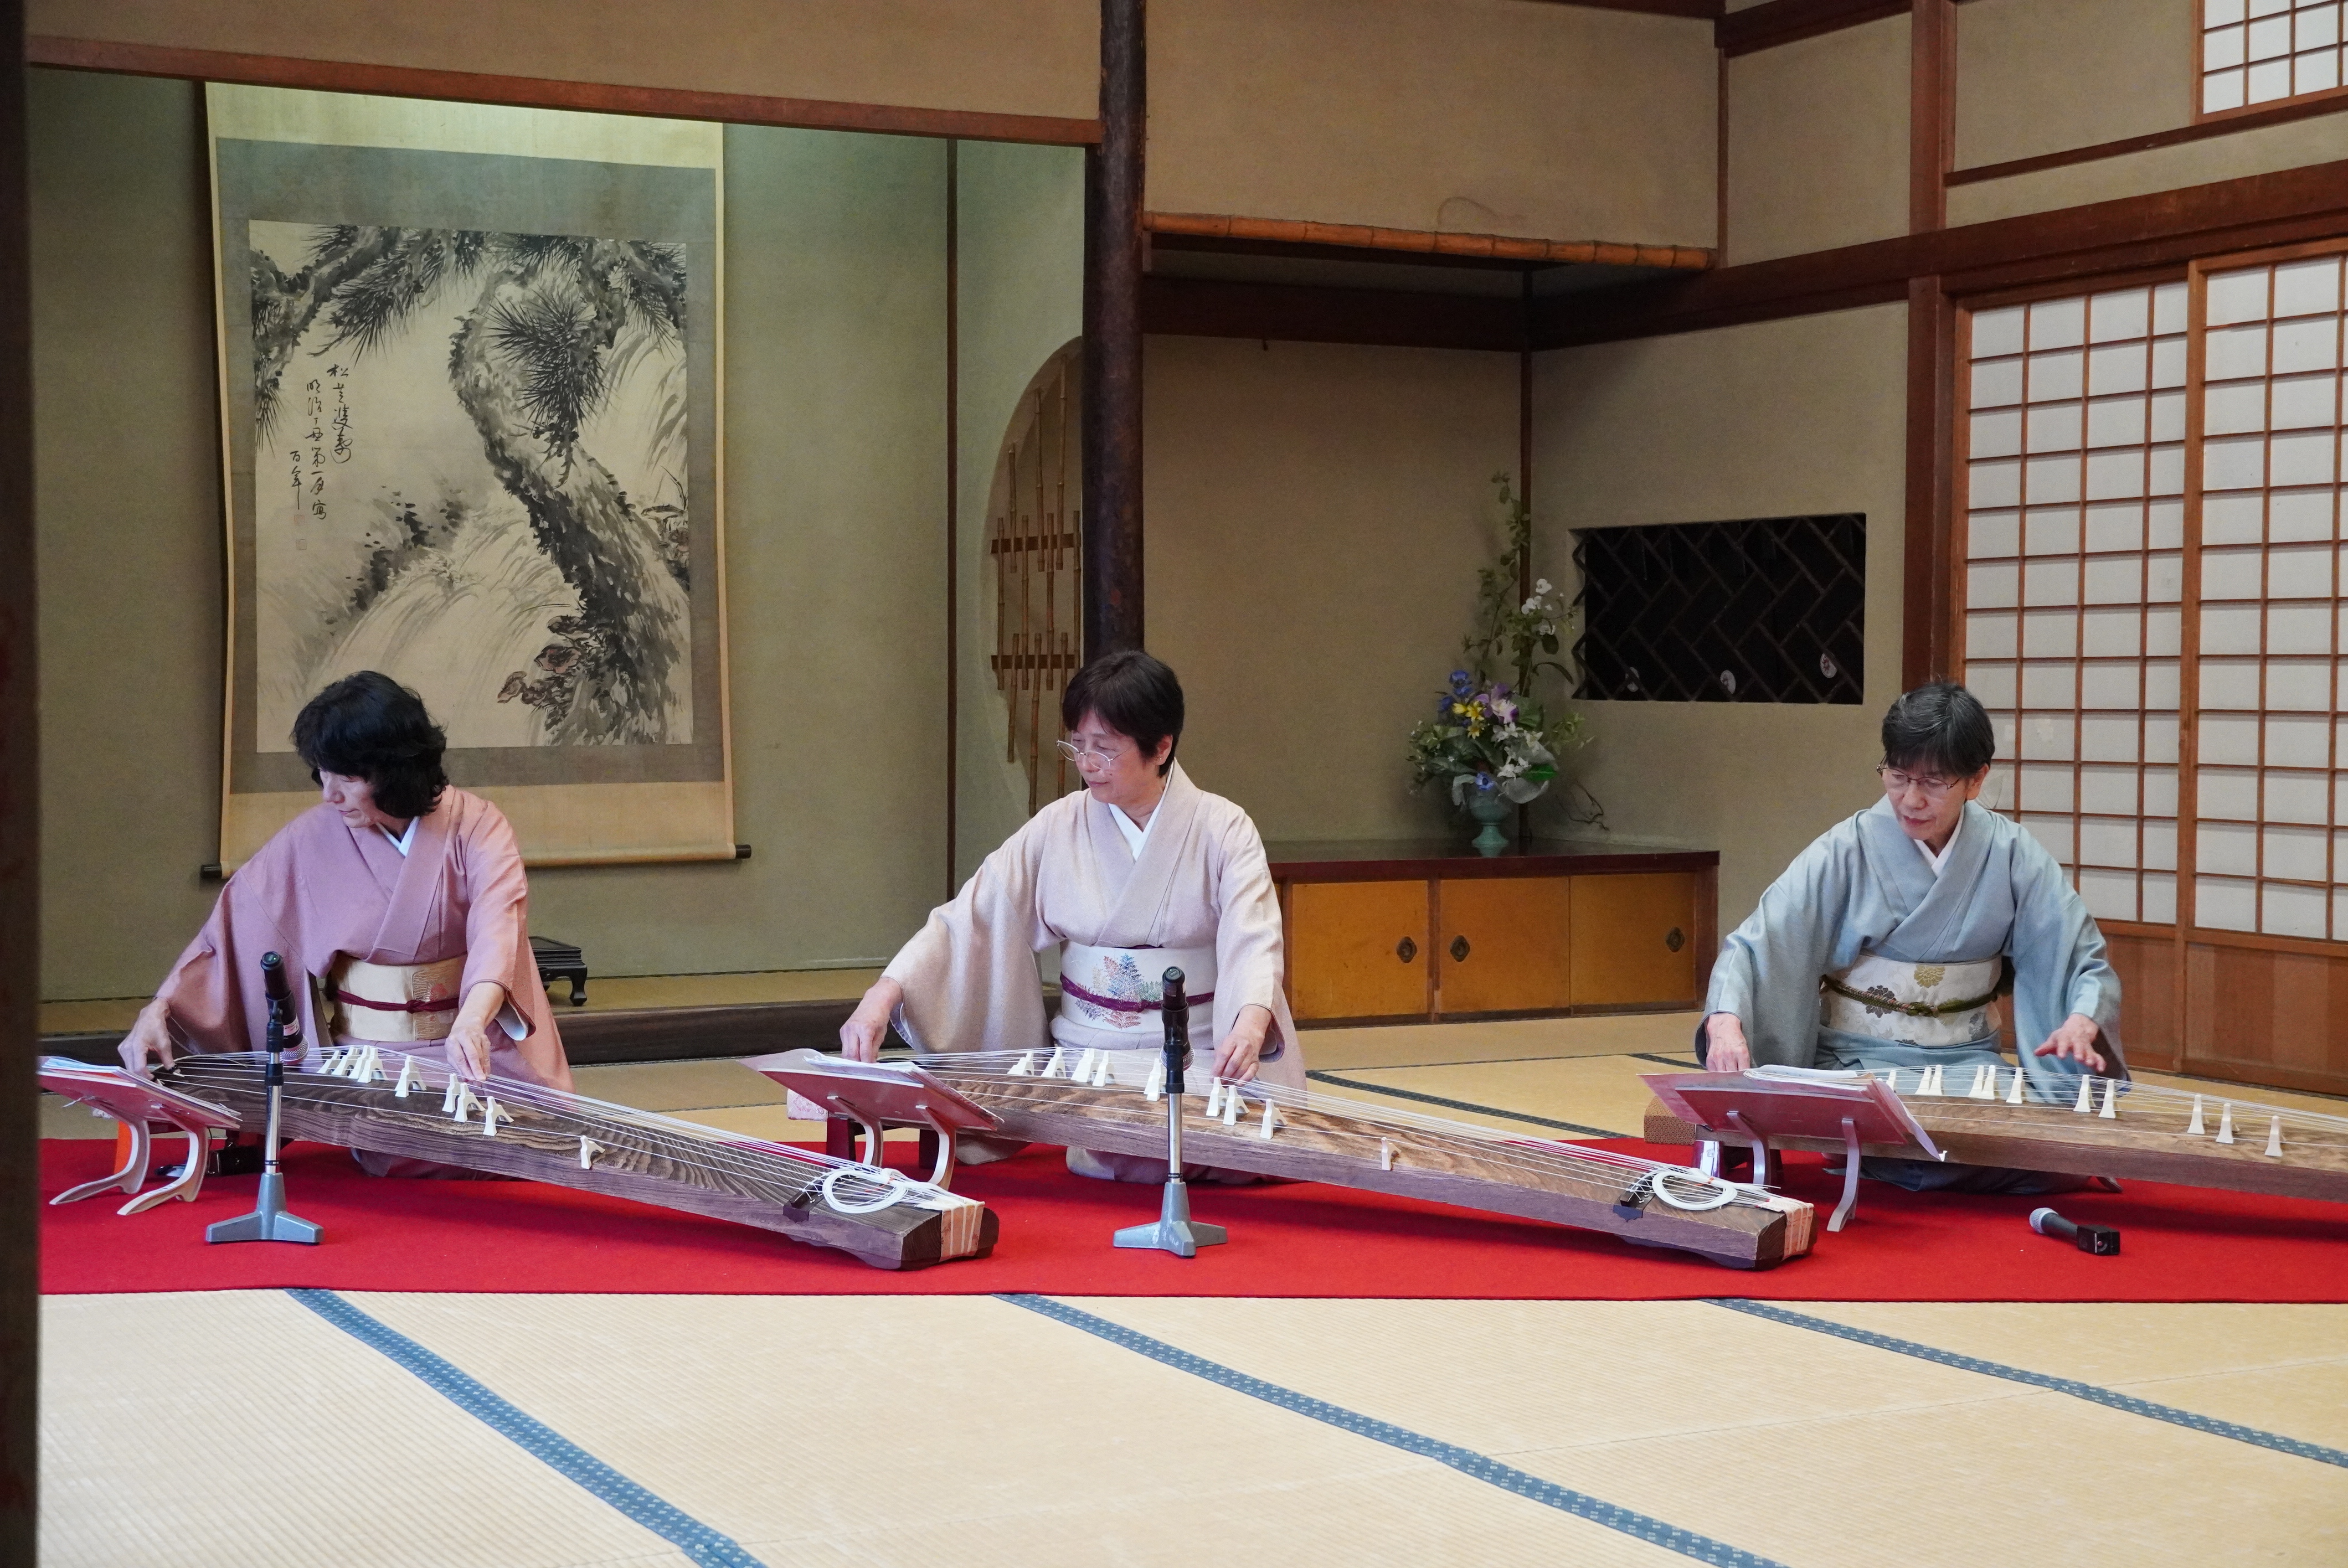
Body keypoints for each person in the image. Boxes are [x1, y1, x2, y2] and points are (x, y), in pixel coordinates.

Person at [840, 648, 1303, 1182]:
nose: (1086, 764)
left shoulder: (1224, 828)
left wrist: (1249, 1024)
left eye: (1104, 750)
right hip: (1092, 1065)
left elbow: (1254, 934)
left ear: (1161, 747)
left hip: (1199, 1056)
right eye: (1077, 746)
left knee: (1211, 1149)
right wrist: (885, 994)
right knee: (1114, 1153)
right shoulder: (1057, 827)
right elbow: (972, 916)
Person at [120, 672, 573, 1170]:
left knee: (531, 1143)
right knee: (403, 1148)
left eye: (349, 777)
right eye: (323, 774)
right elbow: (235, 931)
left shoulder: (479, 827)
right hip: (376, 1063)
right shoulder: (310, 839)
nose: (329, 795)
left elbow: (498, 929)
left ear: (397, 771)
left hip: (479, 1046)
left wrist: (470, 1020)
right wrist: (163, 1008)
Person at [1698, 680, 2121, 1193]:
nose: (1911, 799)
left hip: (1969, 1063)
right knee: (1917, 1141)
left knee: (2035, 1142)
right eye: (1898, 777)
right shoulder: (1846, 849)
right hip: (1859, 1061)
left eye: (1933, 782)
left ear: (1976, 779)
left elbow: (2076, 953)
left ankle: (1885, 1158)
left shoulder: (2010, 854)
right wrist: (1726, 1021)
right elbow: (1762, 943)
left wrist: (2080, 1018)